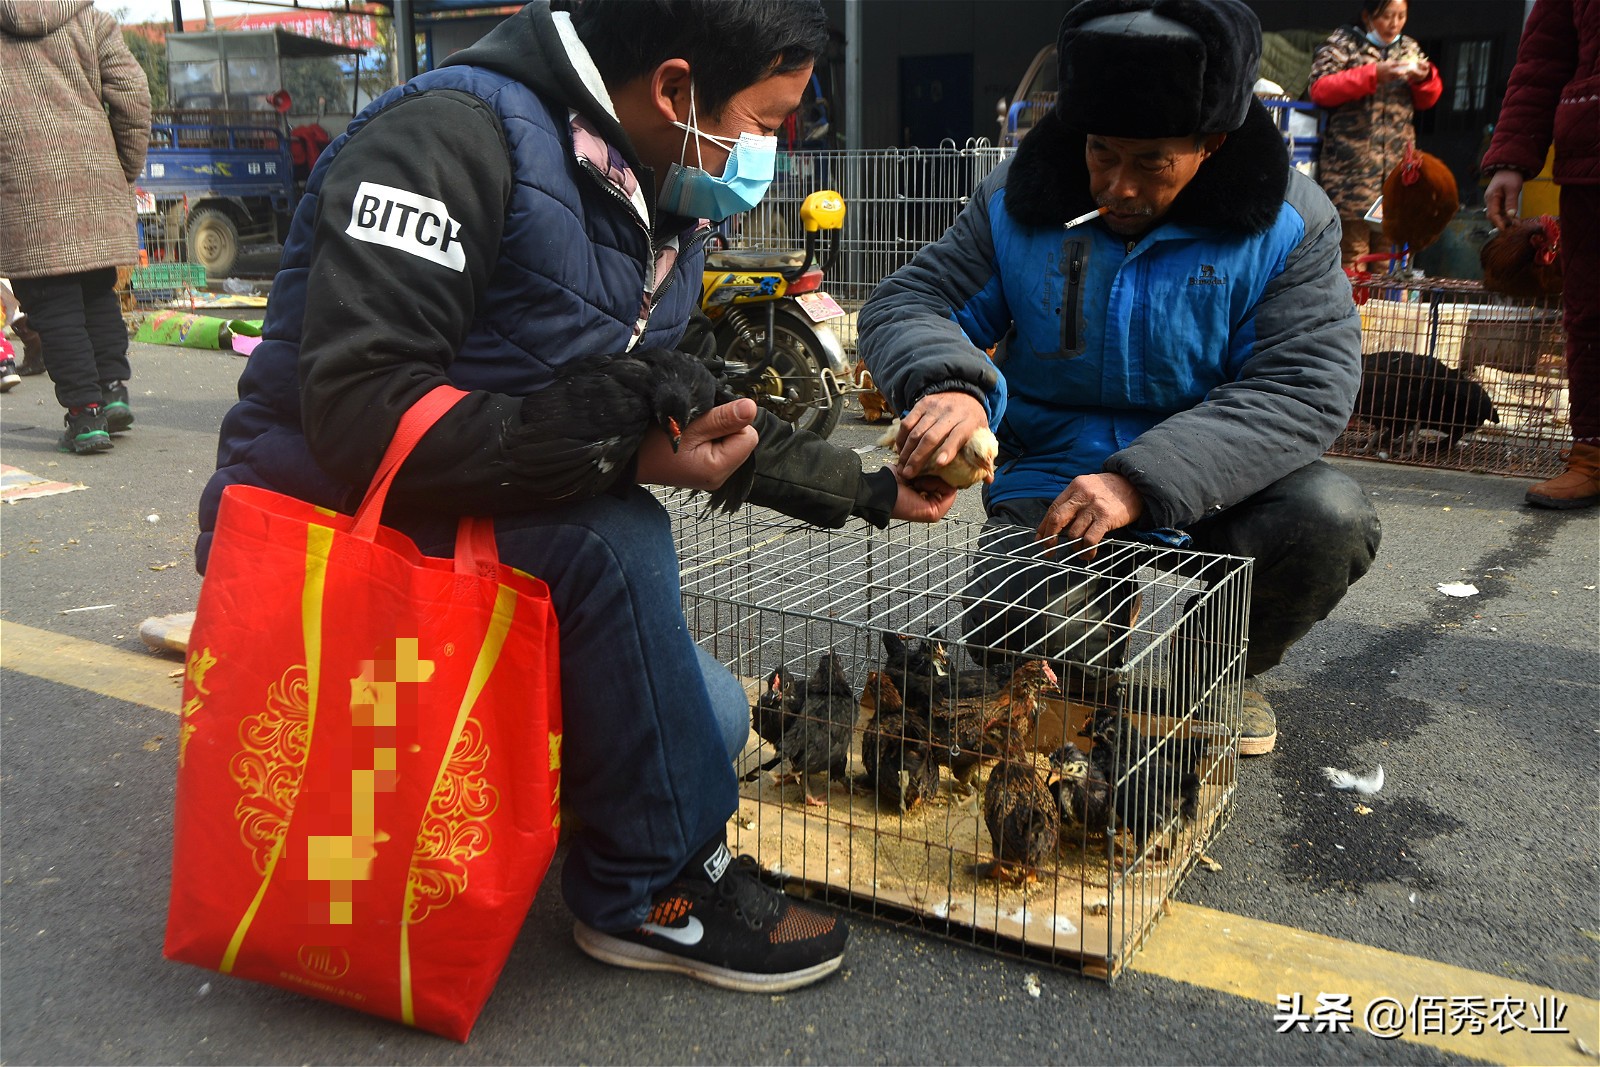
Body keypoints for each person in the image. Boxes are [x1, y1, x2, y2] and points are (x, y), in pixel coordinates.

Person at [195, 0, 956, 992]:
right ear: (675, 89)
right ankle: (650, 889)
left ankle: (519, 789)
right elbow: (362, 417)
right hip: (329, 527)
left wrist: (862, 487)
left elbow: (690, 411)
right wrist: (613, 436)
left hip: (468, 502)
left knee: (716, 720)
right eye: (766, 122)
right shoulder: (445, 140)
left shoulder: (661, 203)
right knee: (609, 539)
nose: (774, 149)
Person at [858, 0, 1382, 758]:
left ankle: (1218, 673)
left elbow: (1305, 385)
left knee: (1329, 517)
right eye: (1102, 153)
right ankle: (1088, 654)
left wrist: (1142, 480)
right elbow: (911, 300)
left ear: (1212, 144)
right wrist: (952, 381)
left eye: (1151, 163)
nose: (1117, 188)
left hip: (1219, 478)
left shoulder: (1288, 222)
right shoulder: (1019, 200)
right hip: (1056, 476)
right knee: (1019, 637)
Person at [0, 0, 150, 452]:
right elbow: (133, 95)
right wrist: (124, 165)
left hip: (23, 188)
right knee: (95, 292)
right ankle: (112, 391)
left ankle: (86, 416)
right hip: (95, 179)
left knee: (52, 305)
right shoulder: (92, 20)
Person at [1482, 0, 1598, 510]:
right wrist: (1512, 156)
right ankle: (1593, 455)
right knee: (1592, 314)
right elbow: (1542, 56)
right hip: (1592, 151)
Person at [1308, 0, 1443, 271]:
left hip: (1397, 172)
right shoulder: (1343, 43)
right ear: (1368, 16)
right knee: (1352, 256)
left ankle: (1382, 312)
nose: (1394, 24)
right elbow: (1320, 89)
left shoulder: (1409, 48)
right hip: (1351, 171)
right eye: (1387, 16)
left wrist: (1425, 78)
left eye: (1401, 16)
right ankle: (1351, 313)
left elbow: (1428, 100)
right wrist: (1372, 74)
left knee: (1387, 257)